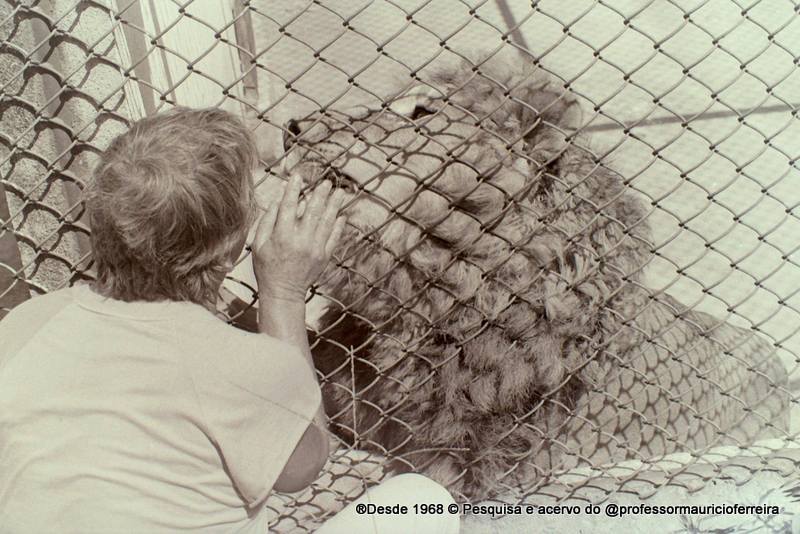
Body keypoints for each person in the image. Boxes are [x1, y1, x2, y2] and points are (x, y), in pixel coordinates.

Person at [0, 108, 459, 533]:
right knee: (424, 503)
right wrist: (282, 294)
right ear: (232, 247)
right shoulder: (244, 366)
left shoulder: (29, 321)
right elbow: (301, 468)